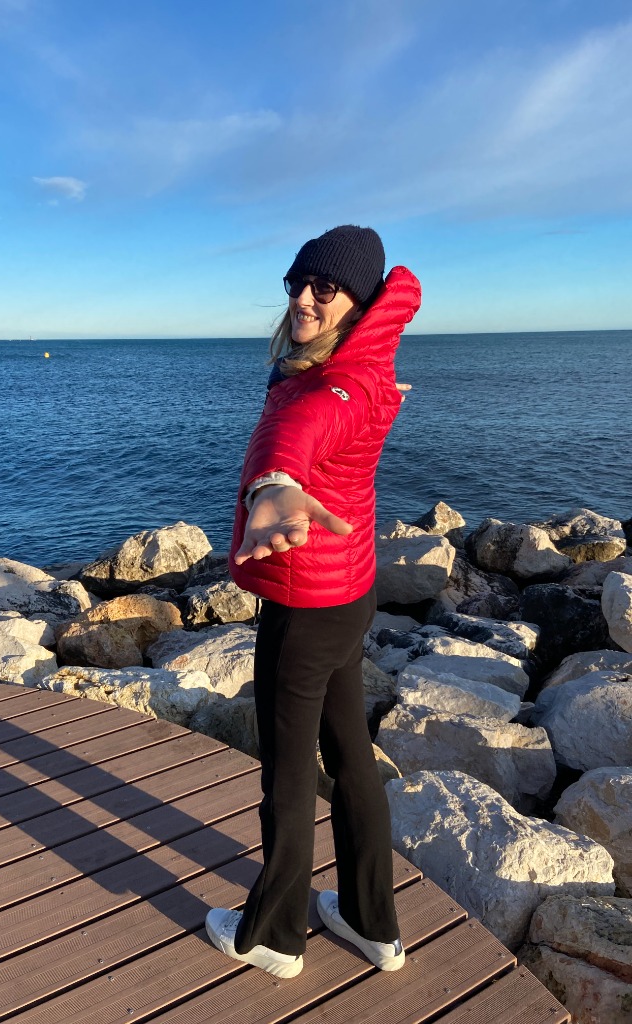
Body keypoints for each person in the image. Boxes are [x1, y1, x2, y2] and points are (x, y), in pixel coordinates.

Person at [205, 225, 422, 979]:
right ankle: (373, 923)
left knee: (288, 774)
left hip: (305, 607)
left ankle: (273, 935)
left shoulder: (335, 385)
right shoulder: (366, 367)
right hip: (348, 592)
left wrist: (272, 488)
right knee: (352, 758)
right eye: (297, 282)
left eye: (323, 289)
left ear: (357, 303)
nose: (303, 298)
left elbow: (294, 438)